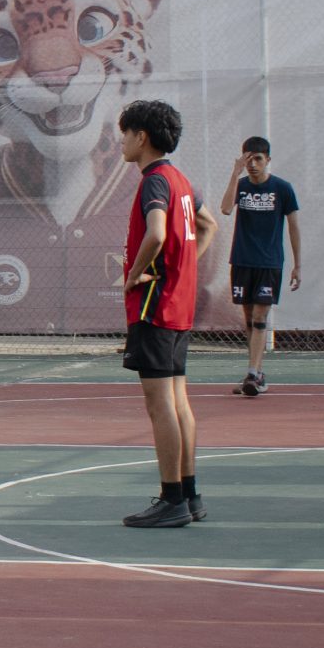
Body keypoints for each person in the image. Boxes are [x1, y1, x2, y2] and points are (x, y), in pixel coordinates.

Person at [116, 99, 215, 528]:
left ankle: (171, 497)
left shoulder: (154, 182)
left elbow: (156, 234)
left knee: (160, 407)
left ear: (142, 137)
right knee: (179, 403)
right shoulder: (182, 180)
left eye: (124, 133)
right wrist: (186, 264)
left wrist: (135, 275)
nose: (121, 141)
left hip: (155, 305)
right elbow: (209, 225)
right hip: (178, 303)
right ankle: (189, 494)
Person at [219, 138, 302, 397]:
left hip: (269, 263)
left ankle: (253, 374)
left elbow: (294, 227)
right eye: (248, 159)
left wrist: (297, 265)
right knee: (249, 319)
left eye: (258, 159)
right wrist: (235, 173)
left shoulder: (282, 189)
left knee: (259, 318)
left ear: (268, 160)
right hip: (243, 260)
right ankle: (257, 371)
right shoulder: (241, 186)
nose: (253, 164)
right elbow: (224, 209)